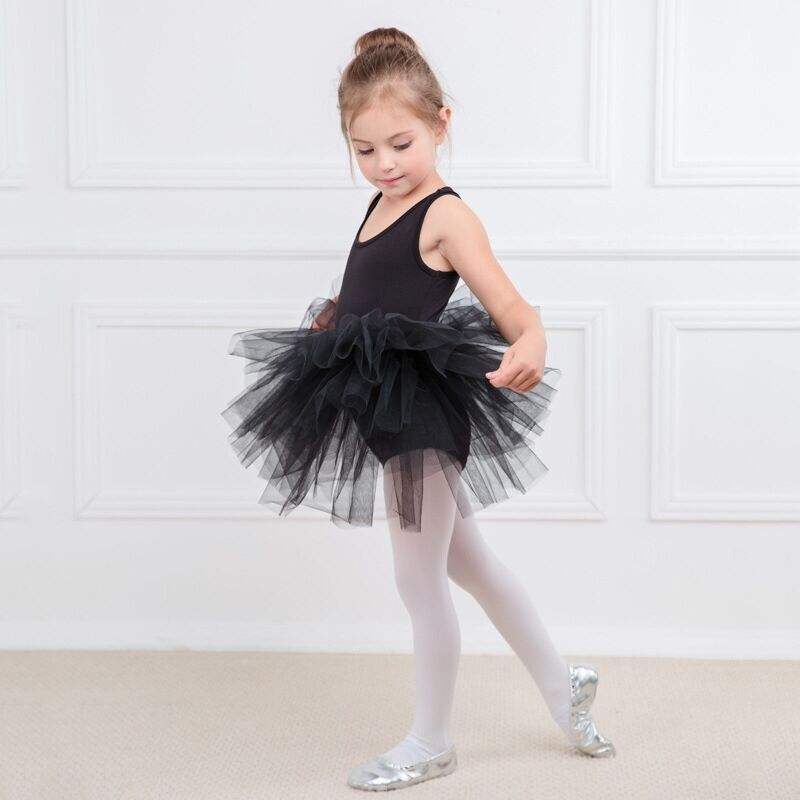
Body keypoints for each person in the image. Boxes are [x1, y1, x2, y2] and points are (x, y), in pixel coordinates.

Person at [221, 26, 616, 792]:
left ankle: (430, 740)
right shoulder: (380, 204)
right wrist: (338, 321)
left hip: (420, 421)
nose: (385, 165)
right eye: (364, 150)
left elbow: (510, 304)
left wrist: (531, 339)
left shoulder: (446, 215)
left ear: (441, 122)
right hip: (383, 412)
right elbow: (376, 292)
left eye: (400, 144)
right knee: (471, 564)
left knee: (418, 580)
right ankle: (563, 686)